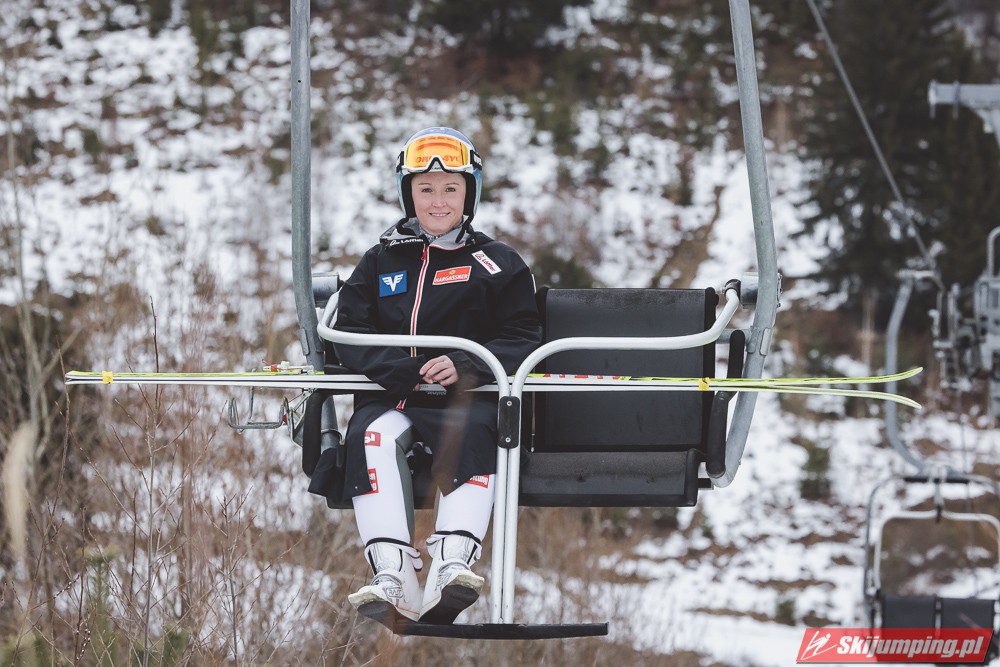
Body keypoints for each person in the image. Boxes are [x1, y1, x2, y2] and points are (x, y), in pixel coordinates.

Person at [330, 127, 542, 626]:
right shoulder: (381, 260)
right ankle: (392, 572)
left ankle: (452, 564)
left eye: (451, 189)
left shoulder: (496, 263)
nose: (438, 201)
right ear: (409, 195)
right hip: (396, 400)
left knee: (471, 429)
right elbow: (348, 332)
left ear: (469, 194)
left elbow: (523, 334)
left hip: (466, 401)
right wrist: (397, 370)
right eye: (425, 189)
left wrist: (466, 364)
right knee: (370, 436)